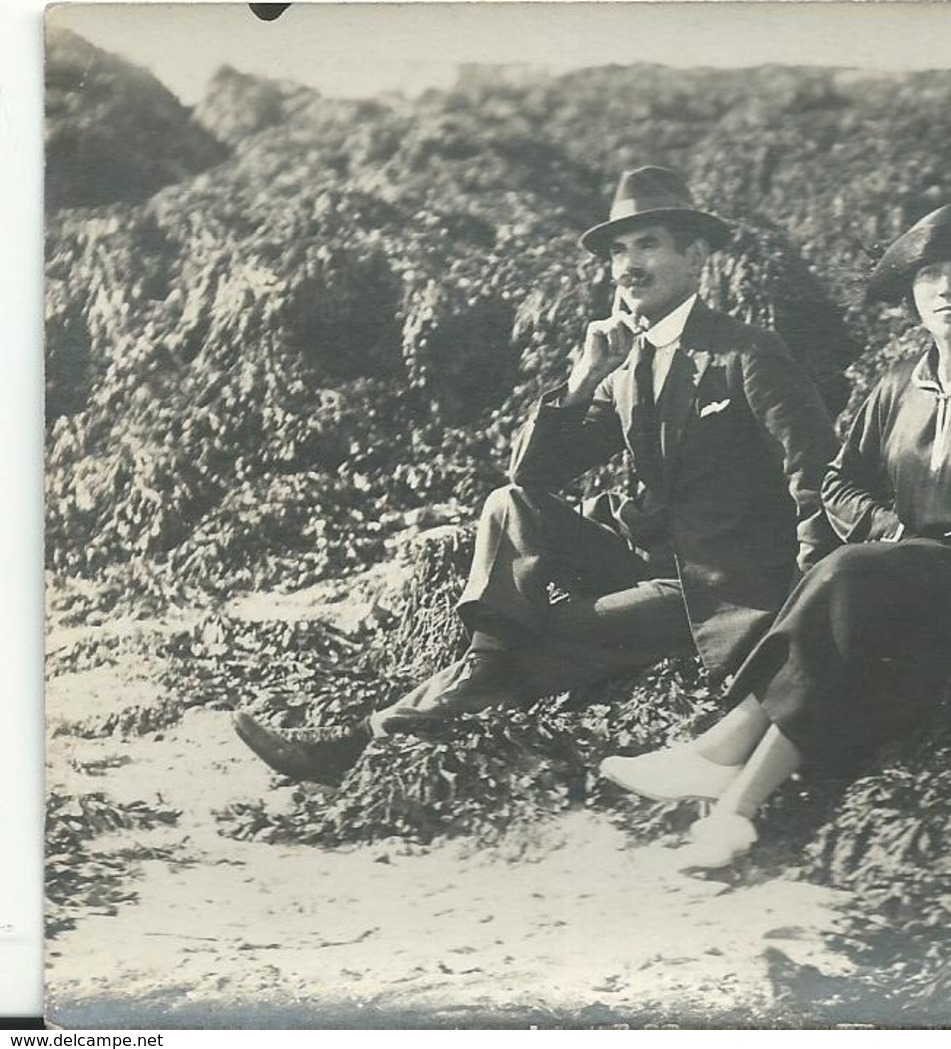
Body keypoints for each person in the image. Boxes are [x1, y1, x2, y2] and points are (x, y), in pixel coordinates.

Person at [232, 166, 838, 786]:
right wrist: (584, 380)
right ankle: (483, 660)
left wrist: (805, 600)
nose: (628, 265)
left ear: (696, 255)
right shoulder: (625, 363)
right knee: (509, 502)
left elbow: (813, 469)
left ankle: (358, 742)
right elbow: (534, 472)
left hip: (713, 589)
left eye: (648, 244)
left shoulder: (745, 353)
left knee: (539, 637)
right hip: (643, 562)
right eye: (618, 252)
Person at [600, 205, 951, 868]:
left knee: (847, 572)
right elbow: (838, 481)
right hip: (901, 575)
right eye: (930, 276)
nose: (946, 287)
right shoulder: (897, 387)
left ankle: (720, 748)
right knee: (849, 614)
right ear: (911, 297)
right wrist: (894, 531)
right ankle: (733, 813)